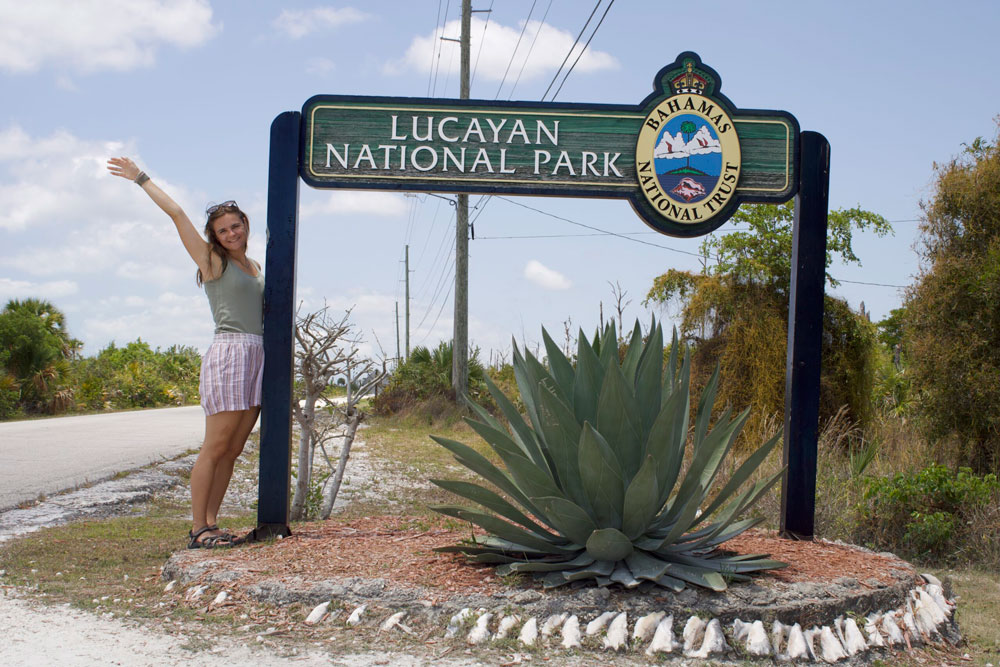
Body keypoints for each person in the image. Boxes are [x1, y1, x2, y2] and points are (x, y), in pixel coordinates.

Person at [107, 157, 263, 549]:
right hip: (230, 354)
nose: (231, 233)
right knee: (215, 445)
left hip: (258, 356)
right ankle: (197, 529)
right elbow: (177, 214)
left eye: (235, 226)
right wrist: (140, 178)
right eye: (222, 230)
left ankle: (211, 523)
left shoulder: (255, 265)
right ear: (215, 236)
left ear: (245, 225)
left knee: (234, 448)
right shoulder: (213, 262)